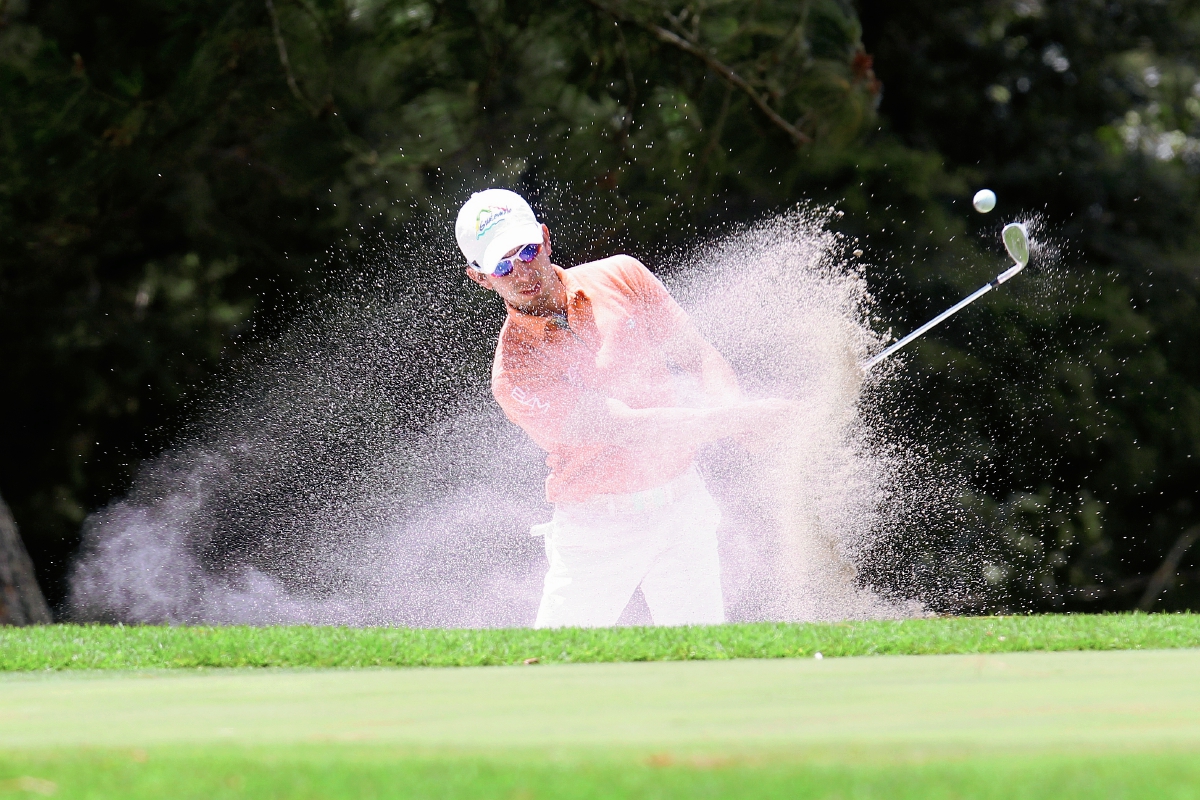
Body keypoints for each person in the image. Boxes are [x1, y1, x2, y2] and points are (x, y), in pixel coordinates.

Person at [455, 188, 789, 628]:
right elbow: (624, 427)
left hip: (681, 508)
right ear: (481, 278)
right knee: (553, 668)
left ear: (546, 238)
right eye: (502, 264)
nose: (522, 270)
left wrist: (736, 408)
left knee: (701, 658)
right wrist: (730, 420)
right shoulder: (514, 373)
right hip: (596, 530)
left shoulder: (621, 275)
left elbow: (697, 353)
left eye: (528, 250)